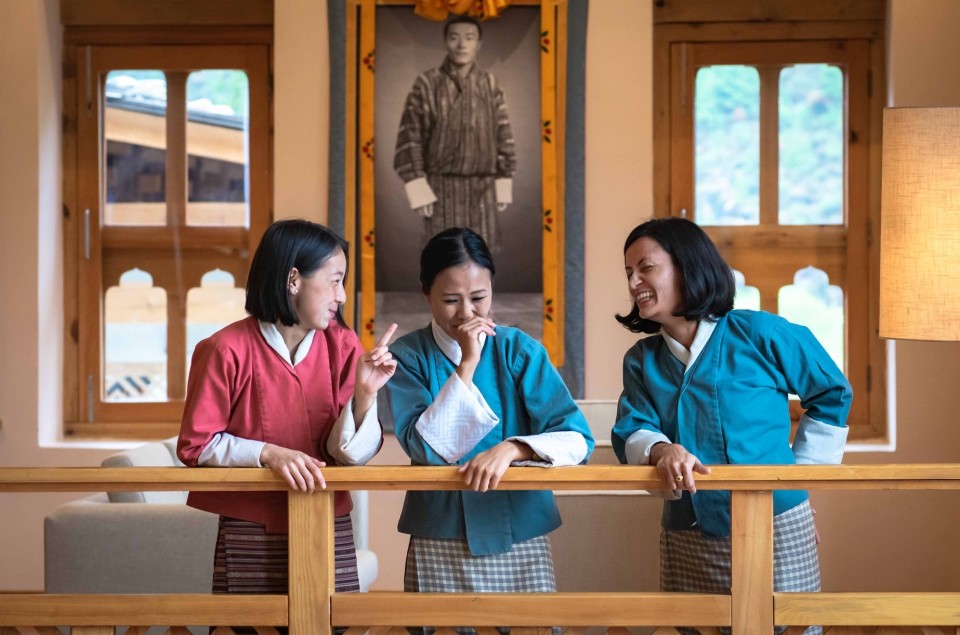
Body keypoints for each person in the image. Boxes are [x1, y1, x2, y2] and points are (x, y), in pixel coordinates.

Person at [611, 217, 852, 635]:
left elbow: (832, 393)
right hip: (689, 532)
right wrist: (661, 449)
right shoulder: (640, 360)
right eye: (629, 273)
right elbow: (633, 428)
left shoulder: (761, 332)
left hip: (777, 526)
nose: (634, 283)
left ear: (687, 265)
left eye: (645, 268)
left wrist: (798, 476)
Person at [177, 219, 397, 633]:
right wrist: (268, 453)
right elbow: (195, 446)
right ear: (293, 278)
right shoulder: (224, 349)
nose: (342, 296)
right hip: (250, 524)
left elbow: (345, 454)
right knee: (249, 627)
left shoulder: (344, 345)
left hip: (325, 515)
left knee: (335, 626)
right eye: (334, 281)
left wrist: (365, 396)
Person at [385, 227, 594, 634]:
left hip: (521, 532)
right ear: (424, 292)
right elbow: (424, 448)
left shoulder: (519, 349)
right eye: (450, 300)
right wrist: (466, 364)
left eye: (479, 298)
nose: (466, 313)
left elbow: (576, 438)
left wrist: (515, 448)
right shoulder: (407, 356)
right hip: (439, 534)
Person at [393, 15, 516, 252]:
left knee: (481, 258)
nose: (462, 45)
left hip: (484, 187)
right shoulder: (427, 84)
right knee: (443, 256)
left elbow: (503, 132)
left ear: (478, 44)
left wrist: (504, 176)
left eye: (469, 38)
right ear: (445, 42)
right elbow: (410, 134)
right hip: (441, 187)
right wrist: (417, 183)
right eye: (454, 38)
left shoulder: (490, 85)